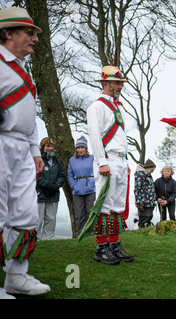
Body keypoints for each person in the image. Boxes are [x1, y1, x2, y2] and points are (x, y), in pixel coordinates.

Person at [0, 6, 50, 298]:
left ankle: (16, 276)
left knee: (25, 213)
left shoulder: (23, 68)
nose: (35, 38)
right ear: (8, 33)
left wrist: (35, 150)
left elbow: (29, 116)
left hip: (20, 147)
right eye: (29, 32)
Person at [86, 65, 133, 265]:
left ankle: (114, 244)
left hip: (120, 160)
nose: (119, 87)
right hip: (108, 160)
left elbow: (121, 137)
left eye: (120, 83)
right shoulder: (96, 106)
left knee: (117, 205)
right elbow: (95, 136)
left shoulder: (117, 106)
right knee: (105, 205)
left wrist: (126, 161)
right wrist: (102, 162)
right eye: (116, 83)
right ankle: (101, 247)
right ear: (105, 83)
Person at [36, 137, 65, 240]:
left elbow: (62, 174)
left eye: (52, 146)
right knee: (39, 218)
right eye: (48, 146)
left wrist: (57, 184)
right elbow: (37, 176)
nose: (50, 148)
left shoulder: (56, 161)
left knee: (51, 218)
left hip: (54, 193)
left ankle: (48, 238)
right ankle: (37, 238)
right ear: (43, 147)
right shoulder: (38, 159)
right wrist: (47, 184)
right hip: (41, 193)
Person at [67, 136, 96, 237]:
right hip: (77, 191)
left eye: (82, 147)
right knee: (79, 214)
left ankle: (92, 233)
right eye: (78, 148)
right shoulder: (72, 160)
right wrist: (74, 186)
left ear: (86, 148)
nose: (80, 150)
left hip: (90, 189)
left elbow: (97, 171)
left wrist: (93, 183)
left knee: (90, 213)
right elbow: (70, 174)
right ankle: (80, 234)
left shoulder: (92, 158)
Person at [134, 159, 157, 228]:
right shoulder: (140, 174)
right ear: (148, 168)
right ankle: (141, 231)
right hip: (144, 201)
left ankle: (146, 231)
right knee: (144, 217)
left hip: (150, 201)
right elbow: (137, 188)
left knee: (149, 216)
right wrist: (138, 202)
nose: (153, 171)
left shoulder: (148, 175)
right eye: (152, 169)